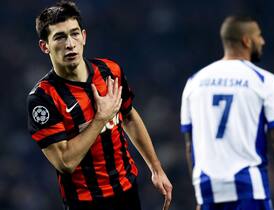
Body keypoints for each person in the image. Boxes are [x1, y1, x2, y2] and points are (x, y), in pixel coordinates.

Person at [27, 1, 172, 210]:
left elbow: (129, 116)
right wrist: (101, 118)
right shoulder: (42, 99)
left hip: (127, 190)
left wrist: (156, 168)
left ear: (84, 37)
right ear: (45, 46)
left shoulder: (109, 71)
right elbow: (65, 163)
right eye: (60, 37)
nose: (70, 43)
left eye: (74, 33)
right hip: (85, 202)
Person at [180, 16, 274, 210]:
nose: (263, 41)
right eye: (259, 36)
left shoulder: (193, 83)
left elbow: (190, 145)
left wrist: (199, 194)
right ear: (247, 40)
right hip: (249, 186)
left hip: (207, 188)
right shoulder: (264, 81)